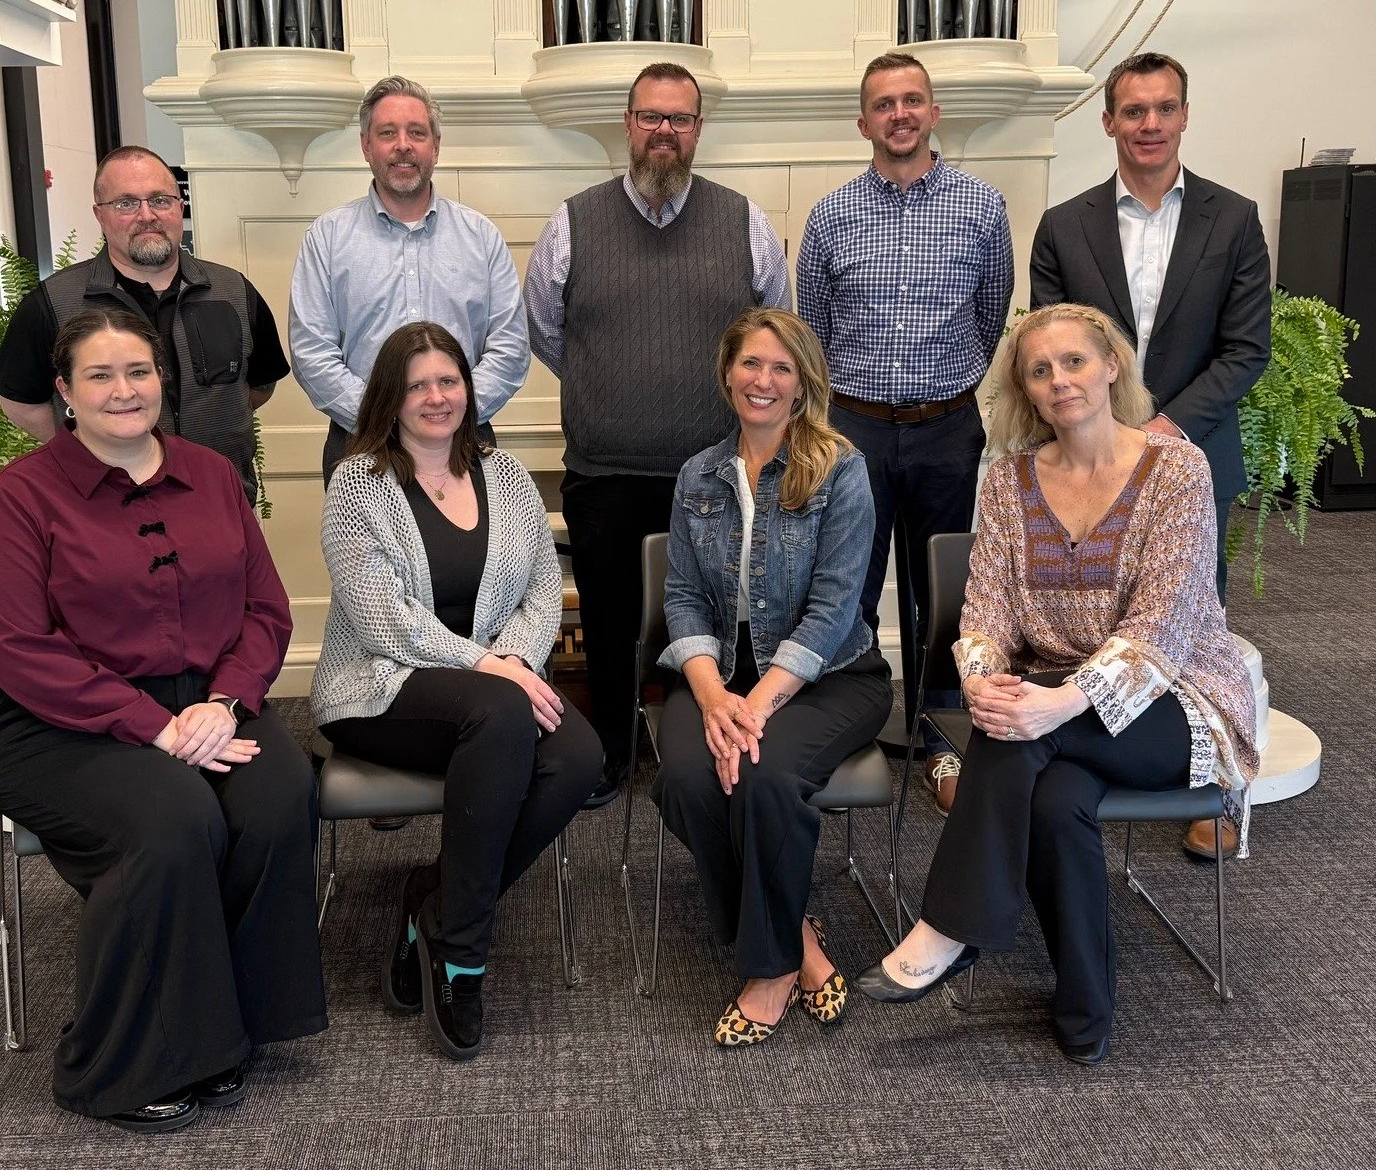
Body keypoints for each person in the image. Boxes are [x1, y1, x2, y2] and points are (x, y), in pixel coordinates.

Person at [858, 304, 1258, 1065]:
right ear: (1027, 392)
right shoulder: (1009, 483)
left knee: (1018, 739)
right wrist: (979, 680)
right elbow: (984, 615)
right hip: (1050, 701)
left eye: (1074, 362)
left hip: (1175, 700)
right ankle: (1085, 1007)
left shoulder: (1176, 470)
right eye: (1040, 371)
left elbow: (1162, 629)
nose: (1059, 381)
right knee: (1052, 791)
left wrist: (1061, 702)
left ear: (1111, 367)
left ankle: (950, 926)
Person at [0, 308, 326, 1133]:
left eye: (138, 371)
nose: (123, 391)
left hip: (206, 702)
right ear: (63, 392)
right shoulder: (21, 495)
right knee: (172, 820)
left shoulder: (211, 473)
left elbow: (266, 612)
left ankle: (231, 1026)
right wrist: (154, 728)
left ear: (163, 381)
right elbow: (16, 648)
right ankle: (121, 1065)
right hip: (53, 720)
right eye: (99, 375)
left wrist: (224, 701)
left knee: (277, 793)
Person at [313, 321, 603, 1062]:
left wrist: (511, 659)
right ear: (391, 398)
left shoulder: (503, 476)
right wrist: (493, 667)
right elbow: (381, 617)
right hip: (381, 690)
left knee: (578, 756)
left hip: (491, 691)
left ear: (469, 390)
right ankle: (463, 956)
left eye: (449, 381)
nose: (436, 397)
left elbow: (542, 587)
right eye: (417, 385)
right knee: (502, 708)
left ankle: (435, 900)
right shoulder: (358, 484)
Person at [1028, 51, 1272, 856]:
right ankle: (1107, 753)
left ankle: (1211, 790)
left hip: (1192, 455)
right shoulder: (1065, 224)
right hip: (1090, 463)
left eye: (1164, 108)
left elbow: (1245, 350)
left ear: (1185, 116)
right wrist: (1108, 435)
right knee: (1099, 615)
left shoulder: (1232, 219)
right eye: (1133, 111)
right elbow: (1052, 347)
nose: (1149, 124)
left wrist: (1159, 434)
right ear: (1108, 122)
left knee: (1196, 620)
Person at [525, 61, 791, 795]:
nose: (663, 131)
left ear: (698, 129)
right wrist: (611, 389)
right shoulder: (572, 222)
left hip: (718, 470)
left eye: (679, 118)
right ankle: (613, 758)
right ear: (629, 125)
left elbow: (775, 338)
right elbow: (547, 334)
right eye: (651, 117)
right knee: (611, 626)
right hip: (606, 471)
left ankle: (707, 751)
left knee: (715, 623)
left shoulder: (744, 221)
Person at [653, 308, 893, 1046]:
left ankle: (770, 969)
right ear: (728, 374)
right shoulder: (699, 473)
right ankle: (797, 932)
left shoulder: (841, 468)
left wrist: (750, 709)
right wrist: (709, 693)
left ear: (802, 383)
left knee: (758, 775)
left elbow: (833, 608)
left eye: (781, 368)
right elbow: (683, 595)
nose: (763, 381)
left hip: (833, 676)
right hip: (719, 675)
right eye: (751, 364)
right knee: (688, 781)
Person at [797, 52, 1013, 817]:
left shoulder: (983, 208)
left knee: (940, 591)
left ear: (933, 113)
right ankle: (845, 727)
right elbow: (812, 335)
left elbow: (991, 319)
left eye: (912, 100)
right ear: (864, 123)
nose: (900, 115)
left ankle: (942, 737)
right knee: (848, 585)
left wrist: (940, 390)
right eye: (884, 104)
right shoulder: (830, 216)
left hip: (946, 427)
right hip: (850, 428)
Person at [0, 145, 287, 505]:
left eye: (160, 200)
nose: (146, 215)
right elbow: (20, 403)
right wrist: (87, 444)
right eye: (126, 203)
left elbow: (259, 387)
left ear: (180, 208)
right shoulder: (53, 303)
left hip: (224, 502)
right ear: (99, 215)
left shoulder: (234, 291)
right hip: (103, 510)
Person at [290, 74, 530, 487]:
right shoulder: (326, 238)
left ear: (435, 145)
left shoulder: (481, 237)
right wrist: (387, 414)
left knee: (472, 554)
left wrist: (449, 414)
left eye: (416, 133)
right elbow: (312, 353)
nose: (403, 145)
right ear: (367, 145)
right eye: (388, 133)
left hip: (464, 443)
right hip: (360, 444)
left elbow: (510, 347)